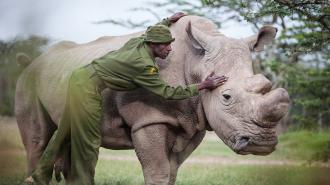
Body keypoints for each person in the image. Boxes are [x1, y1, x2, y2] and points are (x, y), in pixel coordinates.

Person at [26, 12, 227, 185]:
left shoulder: (138, 42)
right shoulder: (144, 66)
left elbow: (151, 30)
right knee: (89, 141)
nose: (169, 49)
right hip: (87, 88)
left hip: (80, 77)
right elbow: (167, 92)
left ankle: (38, 176)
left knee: (64, 131)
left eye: (170, 44)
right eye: (165, 46)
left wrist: (167, 20)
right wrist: (202, 85)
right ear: (154, 45)